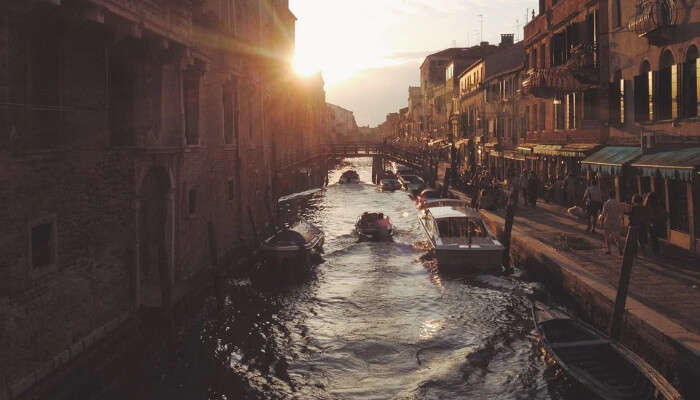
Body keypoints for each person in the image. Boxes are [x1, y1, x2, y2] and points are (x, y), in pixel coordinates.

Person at [643, 192, 667, 257]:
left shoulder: (647, 205)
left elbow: (647, 215)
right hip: (657, 223)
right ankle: (657, 250)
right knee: (656, 237)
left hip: (652, 223)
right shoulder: (658, 204)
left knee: (653, 237)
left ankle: (656, 251)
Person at [601, 190, 623, 255]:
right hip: (616, 221)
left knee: (607, 236)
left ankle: (609, 250)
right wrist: (621, 221)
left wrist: (602, 222)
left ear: (609, 195)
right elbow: (621, 213)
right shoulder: (618, 203)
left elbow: (604, 214)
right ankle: (620, 248)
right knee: (617, 236)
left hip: (608, 221)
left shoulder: (606, 203)